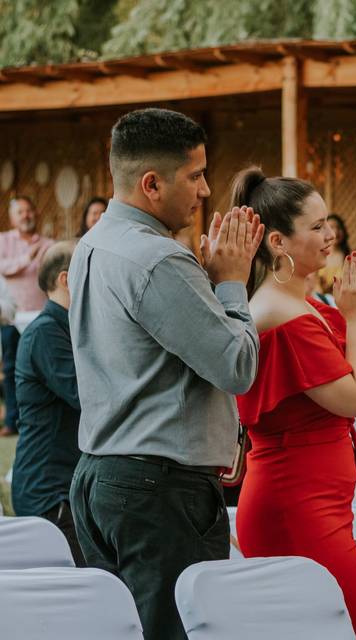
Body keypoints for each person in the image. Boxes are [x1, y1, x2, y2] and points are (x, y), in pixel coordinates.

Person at [68, 108, 263, 640]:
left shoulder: (93, 244)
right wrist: (230, 282)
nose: (205, 190)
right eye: (196, 175)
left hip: (102, 476)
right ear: (152, 184)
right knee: (178, 631)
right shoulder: (158, 260)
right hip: (161, 489)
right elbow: (238, 366)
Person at [231, 167, 356, 640]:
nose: (330, 235)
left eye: (327, 222)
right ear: (277, 242)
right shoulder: (281, 315)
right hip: (294, 505)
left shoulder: (307, 304)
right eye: (315, 226)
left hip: (320, 501)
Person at [11, 241, 84, 566]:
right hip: (49, 491)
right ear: (67, 279)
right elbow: (87, 396)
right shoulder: (45, 333)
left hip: (64, 487)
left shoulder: (66, 328)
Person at [0, 196, 53, 436]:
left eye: (29, 211)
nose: (26, 215)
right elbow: (3, 267)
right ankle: (12, 421)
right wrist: (26, 259)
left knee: (43, 370)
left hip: (41, 317)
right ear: (12, 217)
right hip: (12, 318)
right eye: (20, 212)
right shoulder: (3, 241)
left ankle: (43, 420)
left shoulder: (48, 244)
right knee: (11, 371)